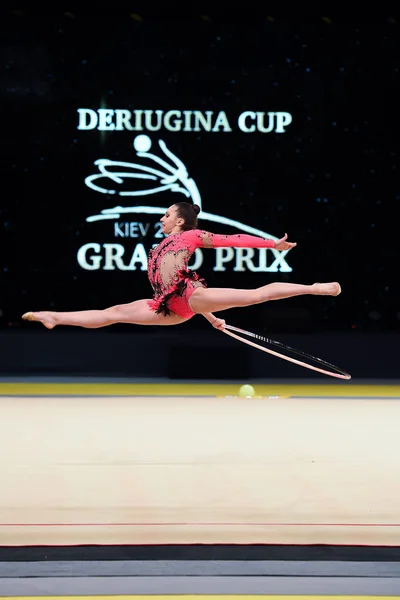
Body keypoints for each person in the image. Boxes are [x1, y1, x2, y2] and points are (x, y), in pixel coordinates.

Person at [22, 202, 340, 331]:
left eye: (166, 214)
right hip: (168, 306)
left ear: (180, 220)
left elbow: (233, 239)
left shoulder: (192, 235)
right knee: (114, 313)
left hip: (187, 297)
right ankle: (54, 317)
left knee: (257, 295)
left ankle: (314, 288)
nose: (162, 218)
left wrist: (273, 244)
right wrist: (213, 318)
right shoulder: (161, 244)